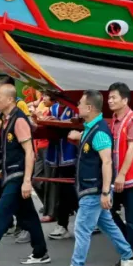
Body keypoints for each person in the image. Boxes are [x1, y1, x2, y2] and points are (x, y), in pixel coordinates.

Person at [57, 91, 133, 266]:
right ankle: (130, 258)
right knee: (108, 225)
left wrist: (106, 192)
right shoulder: (91, 128)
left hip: (94, 189)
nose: (77, 107)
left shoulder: (99, 132)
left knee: (82, 228)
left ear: (89, 108)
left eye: (80, 104)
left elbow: (107, 162)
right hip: (91, 188)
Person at [0, 82, 50, 266]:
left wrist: (27, 181)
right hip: (10, 174)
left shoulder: (19, 120)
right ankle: (40, 252)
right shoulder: (6, 119)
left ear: (9, 99)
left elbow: (29, 152)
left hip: (18, 176)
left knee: (1, 212)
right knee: (29, 216)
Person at [107, 82, 133, 260]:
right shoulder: (115, 119)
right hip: (117, 175)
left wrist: (122, 175)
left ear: (124, 100)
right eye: (109, 97)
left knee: (132, 218)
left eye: (113, 97)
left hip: (130, 176)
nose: (110, 101)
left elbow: (132, 149)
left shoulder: (132, 120)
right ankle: (131, 243)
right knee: (107, 212)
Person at [46, 97, 77, 241]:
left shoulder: (75, 108)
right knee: (63, 190)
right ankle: (63, 224)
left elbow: (80, 126)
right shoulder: (53, 108)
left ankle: (64, 223)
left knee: (68, 190)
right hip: (57, 154)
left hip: (72, 154)